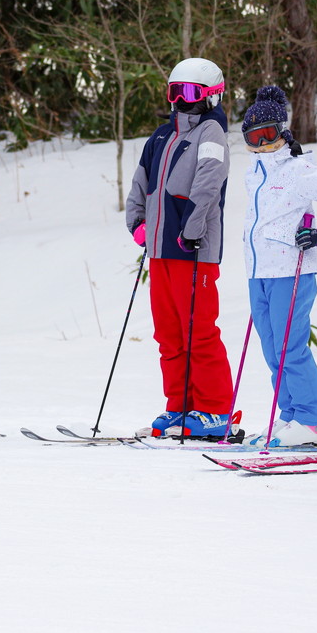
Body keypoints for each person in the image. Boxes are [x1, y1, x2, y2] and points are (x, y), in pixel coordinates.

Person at [125, 57, 235, 438]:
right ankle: (180, 406)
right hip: (159, 252)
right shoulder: (160, 135)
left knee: (199, 331)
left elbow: (208, 184)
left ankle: (215, 410)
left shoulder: (211, 135)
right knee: (168, 333)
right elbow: (140, 183)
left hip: (193, 250)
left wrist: (191, 231)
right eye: (175, 92)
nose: (180, 101)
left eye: (189, 93)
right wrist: (138, 224)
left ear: (210, 96)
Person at [239, 86, 317, 447]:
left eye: (267, 135)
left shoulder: (299, 170)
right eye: (251, 138)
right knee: (272, 350)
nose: (260, 144)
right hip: (258, 272)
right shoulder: (253, 173)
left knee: (290, 347)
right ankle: (290, 416)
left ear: (281, 132)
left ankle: (316, 420)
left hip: (292, 268)